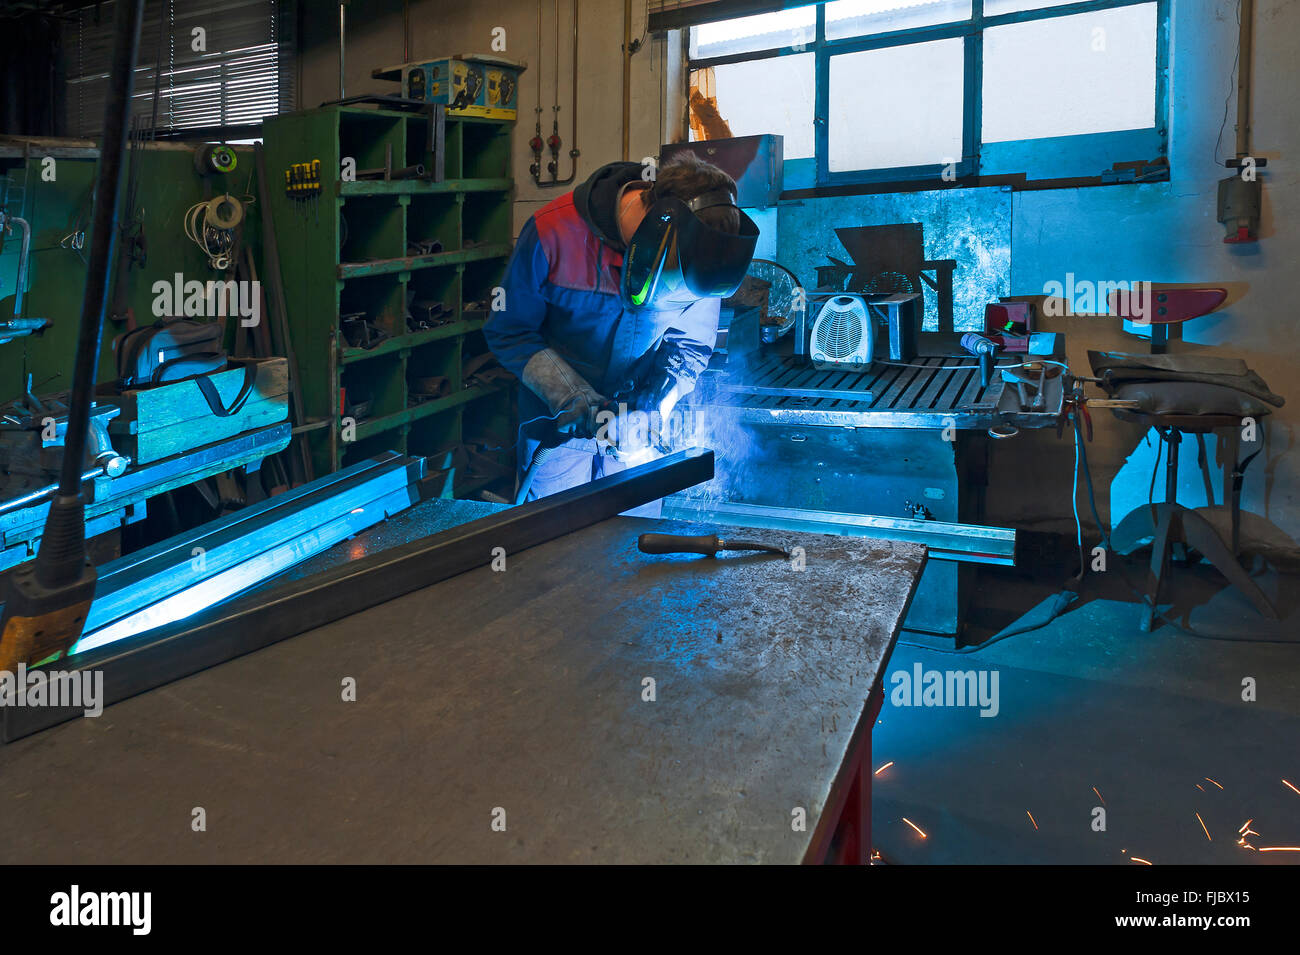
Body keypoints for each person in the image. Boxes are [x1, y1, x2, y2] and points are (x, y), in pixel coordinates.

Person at [484, 152, 758, 512]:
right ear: (659, 225)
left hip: (636, 441)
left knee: (634, 557)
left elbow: (688, 348)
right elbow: (510, 330)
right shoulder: (553, 232)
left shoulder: (698, 252)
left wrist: (655, 404)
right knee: (555, 554)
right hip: (559, 436)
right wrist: (574, 399)